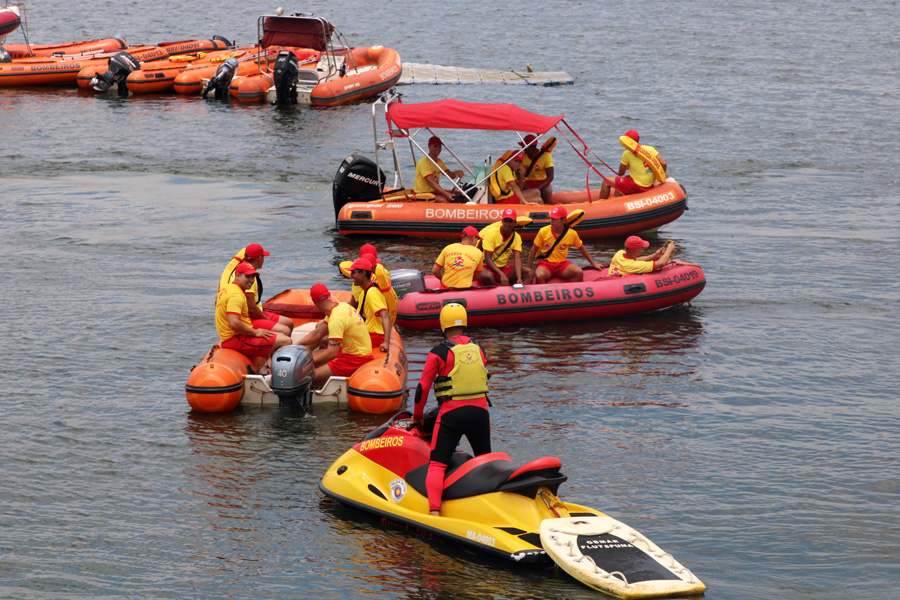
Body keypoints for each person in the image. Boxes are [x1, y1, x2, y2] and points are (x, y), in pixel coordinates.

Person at [409, 303, 491, 516]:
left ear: (443, 324)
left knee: (437, 465)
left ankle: (434, 512)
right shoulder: (479, 349)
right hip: (480, 414)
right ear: (464, 322)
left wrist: (416, 417)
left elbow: (422, 389)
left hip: (451, 414)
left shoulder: (438, 352)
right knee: (485, 460)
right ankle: (490, 505)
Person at [295, 283, 373, 388]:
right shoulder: (340, 307)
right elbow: (317, 333)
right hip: (350, 353)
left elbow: (331, 353)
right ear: (329, 296)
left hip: (354, 359)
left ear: (314, 302)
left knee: (302, 377)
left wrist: (304, 362)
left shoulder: (336, 319)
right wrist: (296, 345)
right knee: (305, 360)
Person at [215, 262, 292, 360]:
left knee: (282, 334)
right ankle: (278, 372)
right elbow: (233, 323)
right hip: (234, 338)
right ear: (238, 276)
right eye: (248, 277)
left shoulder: (229, 288)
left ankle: (268, 362)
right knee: (286, 341)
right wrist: (255, 332)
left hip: (236, 334)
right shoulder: (236, 295)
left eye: (253, 277)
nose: (251, 280)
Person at [218, 243, 293, 337]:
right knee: (285, 330)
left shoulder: (238, 272)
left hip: (254, 312)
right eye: (263, 256)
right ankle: (272, 349)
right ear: (259, 259)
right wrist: (268, 321)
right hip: (249, 317)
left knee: (289, 323)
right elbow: (251, 309)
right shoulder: (248, 279)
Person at [526, 206, 603, 283]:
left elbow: (582, 248)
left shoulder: (571, 234)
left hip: (562, 264)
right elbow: (533, 250)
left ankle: (576, 293)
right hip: (546, 264)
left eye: (555, 219)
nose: (552, 221)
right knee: (539, 275)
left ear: (563, 220)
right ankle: (543, 293)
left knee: (578, 272)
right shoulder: (543, 231)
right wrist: (528, 269)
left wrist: (593, 263)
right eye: (551, 218)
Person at [599, 130, 667, 200]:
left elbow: (620, 173)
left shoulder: (627, 154)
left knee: (606, 181)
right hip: (649, 184)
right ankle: (616, 201)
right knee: (620, 182)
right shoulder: (650, 149)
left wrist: (627, 167)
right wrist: (661, 176)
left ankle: (600, 204)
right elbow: (663, 163)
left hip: (638, 185)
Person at [478, 207, 532, 286]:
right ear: (502, 221)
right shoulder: (491, 233)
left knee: (529, 272)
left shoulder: (516, 237)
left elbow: (517, 259)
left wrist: (519, 278)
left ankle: (522, 294)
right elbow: (488, 259)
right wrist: (501, 274)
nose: (507, 224)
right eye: (505, 221)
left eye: (510, 221)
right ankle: (498, 290)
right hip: (487, 267)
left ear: (515, 223)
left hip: (503, 268)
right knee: (488, 276)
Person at [348, 257, 392, 352]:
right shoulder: (364, 292)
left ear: (363, 273)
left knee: (327, 342)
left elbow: (385, 316)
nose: (351, 276)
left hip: (375, 336)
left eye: (353, 273)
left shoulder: (372, 293)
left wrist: (386, 342)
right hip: (368, 334)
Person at [414, 135, 464, 202]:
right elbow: (432, 183)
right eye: (435, 146)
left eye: (439, 146)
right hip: (423, 194)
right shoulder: (424, 162)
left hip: (433, 193)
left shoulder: (439, 161)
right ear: (429, 146)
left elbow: (448, 174)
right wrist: (446, 194)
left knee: (459, 196)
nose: (438, 149)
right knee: (444, 199)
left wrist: (455, 173)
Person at [608, 236, 677, 276]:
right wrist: (669, 249)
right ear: (636, 251)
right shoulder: (634, 266)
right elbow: (661, 263)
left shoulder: (619, 253)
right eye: (641, 248)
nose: (642, 249)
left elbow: (637, 259)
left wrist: (654, 255)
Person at [520, 134, 554, 205]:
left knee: (546, 191)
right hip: (528, 183)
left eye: (524, 146)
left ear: (531, 147)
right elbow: (518, 175)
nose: (522, 148)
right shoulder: (522, 156)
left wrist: (538, 188)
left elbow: (550, 177)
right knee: (518, 187)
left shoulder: (546, 155)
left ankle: (549, 208)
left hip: (543, 183)